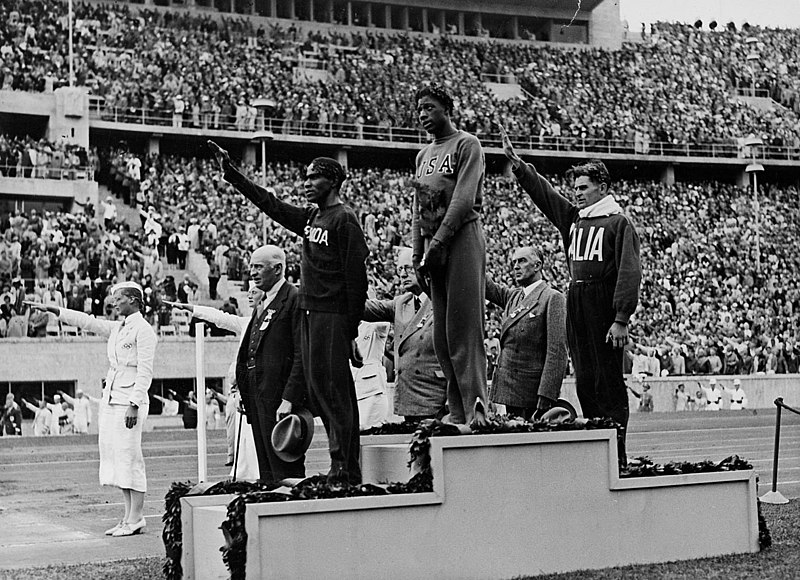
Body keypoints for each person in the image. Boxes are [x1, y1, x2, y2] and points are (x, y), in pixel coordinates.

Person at [210, 141, 368, 486]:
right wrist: (234, 177)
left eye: (314, 178)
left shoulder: (344, 220)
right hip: (311, 315)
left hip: (331, 316)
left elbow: (358, 281)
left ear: (333, 181)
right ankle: (338, 464)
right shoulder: (313, 217)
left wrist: (350, 330)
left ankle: (346, 470)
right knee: (320, 392)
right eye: (306, 177)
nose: (306, 183)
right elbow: (273, 206)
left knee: (336, 394)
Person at [501, 127, 642, 466]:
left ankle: (617, 453)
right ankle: (598, 450)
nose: (576, 194)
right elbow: (546, 196)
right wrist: (520, 167)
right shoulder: (575, 220)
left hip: (603, 305)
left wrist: (621, 319)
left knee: (607, 382)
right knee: (585, 381)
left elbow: (629, 272)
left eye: (583, 188)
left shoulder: (619, 223)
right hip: (576, 301)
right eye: (575, 188)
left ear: (602, 188)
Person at [25, 281, 157, 537]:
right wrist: (54, 309)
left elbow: (146, 372)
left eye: (118, 298)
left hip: (129, 400)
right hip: (112, 398)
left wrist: (134, 403)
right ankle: (128, 517)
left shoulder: (144, 330)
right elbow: (87, 321)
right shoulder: (117, 327)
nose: (114, 302)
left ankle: (137, 517)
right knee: (118, 458)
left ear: (133, 299)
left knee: (130, 458)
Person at [411, 84, 488, 427]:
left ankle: (477, 410)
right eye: (419, 110)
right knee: (441, 334)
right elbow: (419, 208)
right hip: (433, 245)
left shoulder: (466, 145)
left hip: (460, 239)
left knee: (463, 328)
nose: (423, 115)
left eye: (429, 108)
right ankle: (455, 408)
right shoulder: (423, 155)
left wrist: (440, 242)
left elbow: (463, 199)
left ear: (447, 109)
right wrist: (418, 254)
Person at [363, 248, 448, 422]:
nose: (402, 274)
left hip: (434, 396)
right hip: (408, 397)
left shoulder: (442, 301)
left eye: (408, 268)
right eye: (400, 269)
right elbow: (367, 309)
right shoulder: (402, 303)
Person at [485, 246, 568, 421]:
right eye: (514, 262)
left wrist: (547, 393)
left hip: (532, 393)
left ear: (537, 266)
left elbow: (557, 351)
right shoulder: (513, 297)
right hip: (510, 391)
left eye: (522, 261)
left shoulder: (552, 297)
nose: (515, 266)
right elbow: (486, 285)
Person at [352, 320, 391, 429]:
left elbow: (384, 324)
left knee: (373, 430)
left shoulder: (373, 327)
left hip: (373, 390)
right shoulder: (346, 328)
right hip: (355, 388)